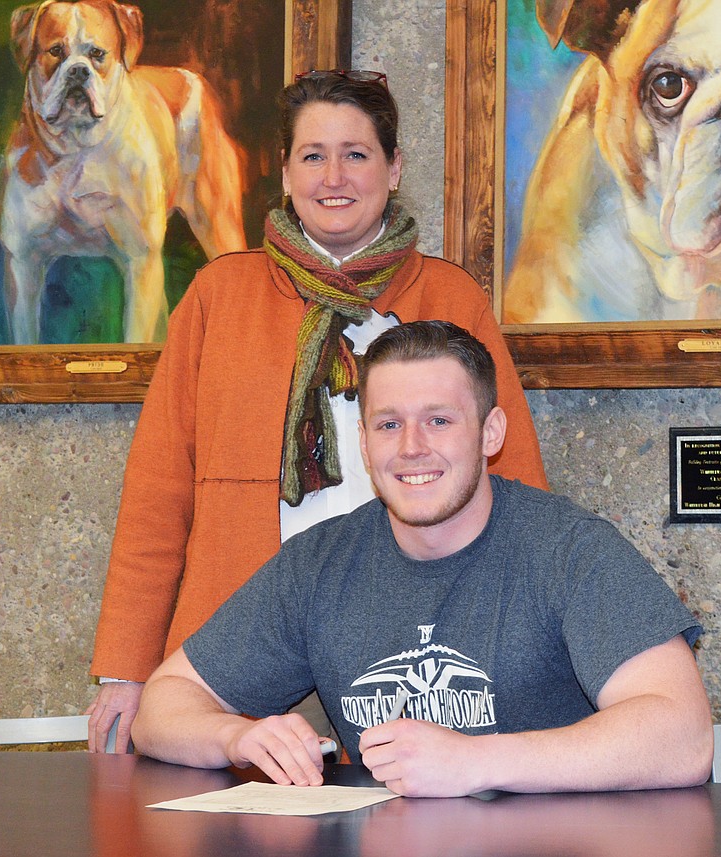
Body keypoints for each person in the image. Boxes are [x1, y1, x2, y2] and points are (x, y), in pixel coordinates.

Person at [86, 71, 548, 753]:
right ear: (284, 170)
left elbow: (518, 494)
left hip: (419, 654)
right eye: (313, 155)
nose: (334, 176)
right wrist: (126, 669)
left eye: (357, 154)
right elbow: (157, 494)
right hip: (238, 655)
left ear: (393, 169)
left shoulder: (452, 299)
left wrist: (533, 659)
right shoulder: (218, 296)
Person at [132, 321, 712, 796]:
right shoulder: (319, 564)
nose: (411, 447)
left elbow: (681, 735)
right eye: (389, 424)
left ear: (490, 433)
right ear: (363, 445)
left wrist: (475, 762)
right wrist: (233, 738)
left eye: (439, 421)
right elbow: (162, 706)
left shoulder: (569, 550)